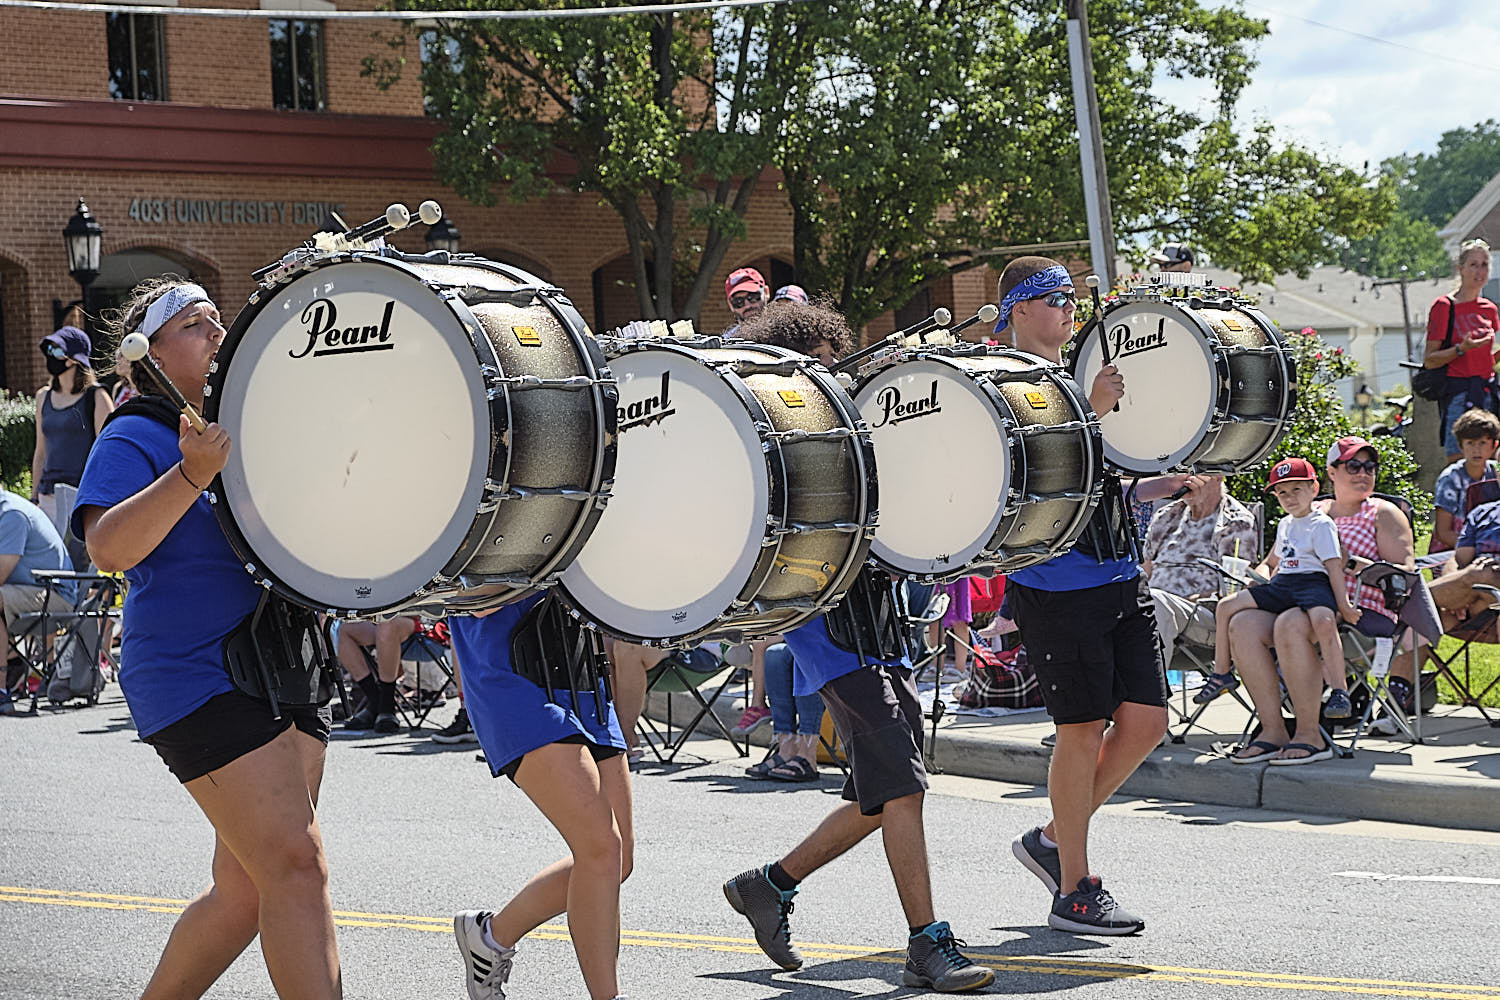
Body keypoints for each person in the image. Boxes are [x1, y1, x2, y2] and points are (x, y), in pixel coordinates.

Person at [73, 278, 342, 999]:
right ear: (147, 355)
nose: (219, 332)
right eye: (196, 324)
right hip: (196, 677)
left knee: (246, 894)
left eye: (219, 319)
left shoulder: (243, 430)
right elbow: (108, 546)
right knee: (296, 865)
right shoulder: (136, 431)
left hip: (279, 670)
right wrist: (192, 474)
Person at [723, 302, 992, 993]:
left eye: (829, 358)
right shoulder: (773, 435)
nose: (826, 372)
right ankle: (928, 944)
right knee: (903, 787)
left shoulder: (848, 423)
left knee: (878, 795)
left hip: (879, 626)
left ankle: (769, 885)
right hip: (829, 631)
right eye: (812, 361)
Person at [996, 255, 1190, 936]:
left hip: (1116, 572)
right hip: (1055, 582)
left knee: (1145, 722)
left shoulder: (1075, 378)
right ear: (1019, 309)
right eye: (1053, 299)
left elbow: (1095, 480)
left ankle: (1053, 837)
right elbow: (1039, 465)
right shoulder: (1009, 380)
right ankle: (1073, 888)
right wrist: (1092, 409)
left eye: (1071, 298)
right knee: (1081, 731)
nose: (1069, 309)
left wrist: (1152, 487)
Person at [448, 596, 632, 1000]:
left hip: (581, 669)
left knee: (616, 861)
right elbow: (475, 596)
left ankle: (490, 938)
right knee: (601, 847)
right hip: (512, 672)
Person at [1226, 437, 1417, 762]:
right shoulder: (1306, 511)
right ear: (1330, 472)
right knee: (1242, 624)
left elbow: (1405, 572)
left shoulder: (1384, 513)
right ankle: (1272, 730)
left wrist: (1350, 562)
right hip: (1294, 596)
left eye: (1370, 466)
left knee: (1289, 624)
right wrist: (1255, 577)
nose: (1363, 473)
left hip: (1354, 608)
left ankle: (1310, 734)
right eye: (1353, 465)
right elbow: (1274, 561)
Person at [1202, 459, 1358, 724]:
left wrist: (1343, 605)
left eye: (1297, 489)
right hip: (1283, 584)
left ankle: (1339, 690)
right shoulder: (1285, 524)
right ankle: (1221, 673)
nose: (1289, 498)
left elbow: (1334, 567)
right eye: (1282, 492)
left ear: (1314, 488)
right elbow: (1273, 561)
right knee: (1226, 606)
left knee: (1324, 621)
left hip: (1312, 583)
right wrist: (1258, 577)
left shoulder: (1321, 524)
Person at [1140, 474, 1258, 661]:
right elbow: (1145, 569)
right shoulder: (1167, 515)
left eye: (1193, 474)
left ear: (1218, 476)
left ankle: (1150, 689)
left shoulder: (1235, 520)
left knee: (1156, 602)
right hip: (1155, 608)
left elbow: (1232, 587)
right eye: (1182, 473)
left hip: (1203, 615)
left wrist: (1173, 601)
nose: (1186, 481)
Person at [1423, 238, 1499, 462]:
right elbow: (1430, 360)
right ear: (1460, 269)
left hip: (1488, 393)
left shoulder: (1489, 309)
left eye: (1484, 264)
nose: (1479, 271)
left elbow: (1486, 360)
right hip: (1459, 393)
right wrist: (1460, 349)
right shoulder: (1445, 306)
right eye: (1473, 264)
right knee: (1459, 462)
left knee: (1491, 464)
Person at [33, 325, 114, 527]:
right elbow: (40, 453)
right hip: (48, 495)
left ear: (75, 359)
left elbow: (109, 453)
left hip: (83, 497)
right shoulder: (43, 396)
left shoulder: (97, 397)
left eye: (58, 350)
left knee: (81, 558)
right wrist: (34, 498)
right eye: (50, 350)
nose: (51, 356)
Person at [0, 487, 78, 689]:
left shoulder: (11, 515)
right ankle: (14, 661)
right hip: (30, 592)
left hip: (56, 597)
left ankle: (1, 689)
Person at [1431, 408, 1500, 561]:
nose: (1477, 450)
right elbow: (1442, 532)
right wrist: (1474, 549)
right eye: (1470, 443)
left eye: (1483, 443)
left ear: (1494, 446)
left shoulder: (1497, 471)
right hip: (1452, 550)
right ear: (1460, 446)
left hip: (1490, 544)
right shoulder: (1450, 479)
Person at [335, 615, 418, 734]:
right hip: (380, 619)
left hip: (417, 618)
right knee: (344, 631)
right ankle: (375, 701)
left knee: (386, 626)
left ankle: (387, 707)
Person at [723, 266, 769, 337]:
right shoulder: (726, 342)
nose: (747, 305)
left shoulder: (786, 333)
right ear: (730, 304)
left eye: (753, 297)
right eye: (738, 301)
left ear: (766, 292)